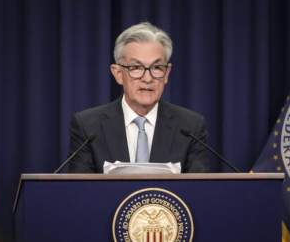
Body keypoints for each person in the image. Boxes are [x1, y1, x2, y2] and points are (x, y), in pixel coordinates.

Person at [68, 22, 210, 173]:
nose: (147, 78)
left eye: (156, 68)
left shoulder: (190, 127)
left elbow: (198, 192)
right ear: (118, 74)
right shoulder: (88, 127)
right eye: (136, 68)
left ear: (167, 73)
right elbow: (80, 192)